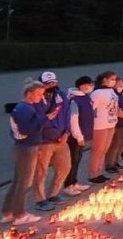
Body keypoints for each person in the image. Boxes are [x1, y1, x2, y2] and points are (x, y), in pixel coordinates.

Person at [0, 80, 56, 226]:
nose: (40, 97)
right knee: (24, 182)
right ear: (29, 93)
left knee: (18, 181)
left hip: (24, 147)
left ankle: (7, 212)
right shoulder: (26, 109)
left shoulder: (22, 107)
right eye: (38, 94)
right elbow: (26, 129)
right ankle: (19, 215)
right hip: (27, 148)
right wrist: (46, 118)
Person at [32, 71, 71, 211]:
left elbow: (67, 114)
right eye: (47, 83)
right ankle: (40, 199)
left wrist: (67, 132)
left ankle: (53, 194)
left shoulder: (61, 95)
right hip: (43, 141)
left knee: (65, 166)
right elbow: (39, 119)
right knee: (41, 172)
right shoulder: (36, 98)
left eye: (53, 82)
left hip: (61, 139)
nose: (51, 85)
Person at [63, 76, 94, 196]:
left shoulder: (85, 97)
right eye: (88, 84)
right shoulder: (74, 99)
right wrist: (79, 136)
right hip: (75, 136)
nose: (90, 87)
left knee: (77, 159)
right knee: (72, 160)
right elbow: (73, 120)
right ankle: (68, 185)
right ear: (81, 86)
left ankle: (74, 182)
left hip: (84, 133)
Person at [87, 71, 118, 185]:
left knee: (104, 149)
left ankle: (100, 171)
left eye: (114, 79)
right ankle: (93, 174)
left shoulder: (111, 91)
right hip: (100, 125)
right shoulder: (97, 93)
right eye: (111, 79)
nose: (113, 81)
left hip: (111, 123)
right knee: (97, 150)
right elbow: (91, 109)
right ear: (104, 79)